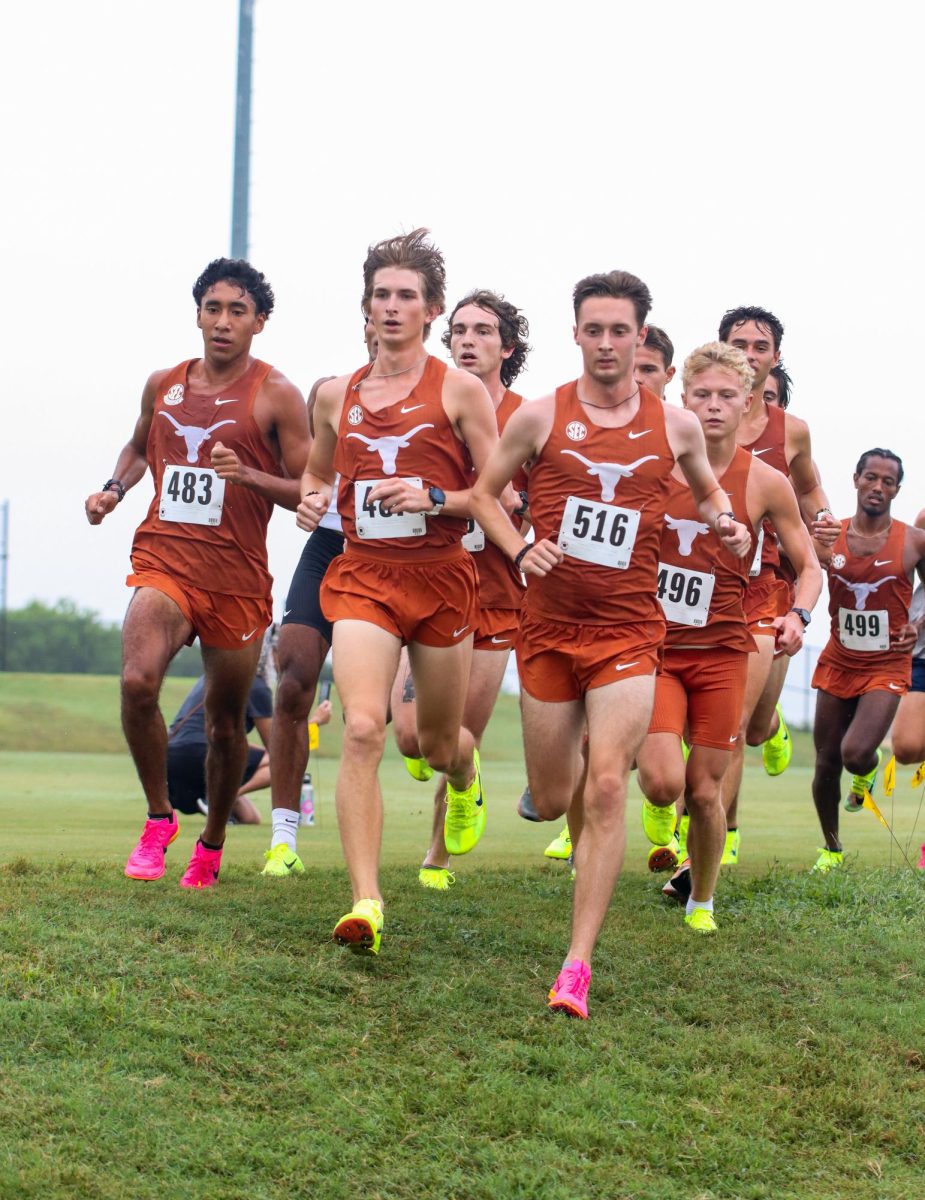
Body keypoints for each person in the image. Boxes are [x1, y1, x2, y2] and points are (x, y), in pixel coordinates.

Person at [470, 270, 751, 1018]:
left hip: (628, 631)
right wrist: (518, 546)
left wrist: (727, 519)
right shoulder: (537, 416)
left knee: (604, 785)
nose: (604, 344)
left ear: (639, 336)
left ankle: (576, 964)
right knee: (557, 791)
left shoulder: (675, 424)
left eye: (617, 331)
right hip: (549, 631)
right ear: (575, 335)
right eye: (592, 330)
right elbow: (483, 495)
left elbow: (708, 485)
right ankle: (547, 790)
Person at [296, 229, 504, 956]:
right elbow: (320, 471)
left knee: (437, 741)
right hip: (364, 578)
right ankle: (366, 900)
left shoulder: (459, 390)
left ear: (431, 308)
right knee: (361, 727)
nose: (391, 306)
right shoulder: (333, 394)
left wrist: (432, 495)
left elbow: (491, 491)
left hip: (443, 577)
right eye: (380, 294)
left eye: (406, 296)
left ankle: (465, 770)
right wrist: (311, 499)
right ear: (365, 306)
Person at [84, 258, 309, 887]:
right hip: (164, 559)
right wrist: (112, 489)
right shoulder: (164, 384)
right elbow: (136, 446)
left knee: (222, 723)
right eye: (213, 308)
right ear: (198, 315)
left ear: (259, 322)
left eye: (238, 311)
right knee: (136, 681)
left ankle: (210, 843)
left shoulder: (277, 394)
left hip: (236, 579)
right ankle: (159, 821)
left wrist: (249, 476)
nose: (223, 321)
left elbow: (308, 487)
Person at [636, 343, 820, 929]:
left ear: (747, 403)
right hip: (657, 649)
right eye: (702, 395)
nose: (713, 406)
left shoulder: (765, 482)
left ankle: (703, 899)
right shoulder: (654, 468)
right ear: (682, 400)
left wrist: (799, 615)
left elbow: (809, 567)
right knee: (664, 783)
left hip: (723, 652)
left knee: (707, 790)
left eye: (726, 396)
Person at [389, 289, 531, 889]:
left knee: (451, 741)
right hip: (427, 585)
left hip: (495, 594)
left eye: (483, 331)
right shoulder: (433, 403)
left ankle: (437, 851)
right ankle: (464, 775)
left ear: (507, 347)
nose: (468, 341)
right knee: (410, 737)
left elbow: (540, 501)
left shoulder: (529, 417)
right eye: (460, 330)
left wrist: (520, 509)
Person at [717, 306, 837, 865]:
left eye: (759, 346)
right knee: (724, 725)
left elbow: (812, 494)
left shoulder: (793, 431)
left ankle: (772, 727)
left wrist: (827, 525)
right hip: (702, 582)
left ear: (775, 357)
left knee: (750, 726)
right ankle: (722, 833)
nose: (748, 354)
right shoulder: (694, 418)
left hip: (768, 584)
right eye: (737, 343)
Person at [262, 317, 379, 877]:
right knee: (293, 680)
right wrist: (309, 499)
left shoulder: (440, 394)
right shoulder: (332, 393)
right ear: (366, 329)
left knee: (382, 717)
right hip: (329, 546)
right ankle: (284, 839)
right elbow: (307, 473)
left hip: (388, 559)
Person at [811, 456, 925, 872]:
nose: (878, 486)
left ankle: (867, 772)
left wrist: (917, 624)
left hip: (888, 664)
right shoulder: (830, 535)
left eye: (888, 481)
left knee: (855, 753)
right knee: (825, 760)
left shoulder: (914, 541)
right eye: (871, 477)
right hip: (838, 660)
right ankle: (831, 848)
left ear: (897, 490)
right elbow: (803, 570)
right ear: (856, 480)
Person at [633, 324, 676, 399]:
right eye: (627, 371)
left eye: (648, 370)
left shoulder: (679, 411)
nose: (636, 378)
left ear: (669, 374)